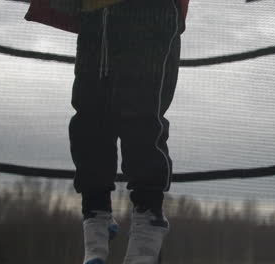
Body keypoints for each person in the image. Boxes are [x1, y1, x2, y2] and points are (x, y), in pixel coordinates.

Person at [67, 0, 189, 263]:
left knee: (142, 117)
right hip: (95, 14)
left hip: (150, 12)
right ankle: (95, 214)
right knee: (90, 118)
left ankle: (149, 217)